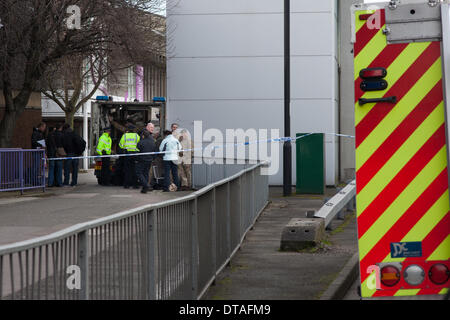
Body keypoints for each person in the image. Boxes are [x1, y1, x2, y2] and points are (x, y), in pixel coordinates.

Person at [119, 124, 140, 189]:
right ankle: (135, 185)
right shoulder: (136, 136)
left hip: (127, 154)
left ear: (128, 129)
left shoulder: (125, 135)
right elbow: (140, 144)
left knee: (127, 170)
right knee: (135, 170)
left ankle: (126, 185)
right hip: (135, 154)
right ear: (134, 130)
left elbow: (120, 145)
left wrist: (125, 148)